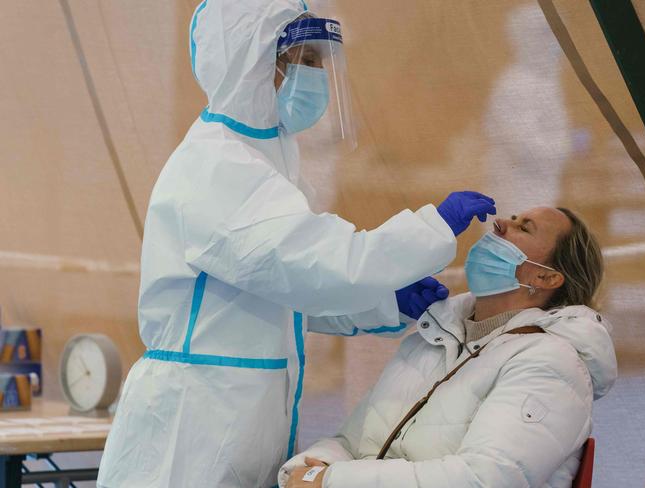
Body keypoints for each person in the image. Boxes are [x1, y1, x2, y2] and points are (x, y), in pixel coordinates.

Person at [97, 1, 496, 487]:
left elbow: (278, 294)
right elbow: (322, 266)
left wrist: (378, 306)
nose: (316, 76)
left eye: (318, 62)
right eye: (303, 60)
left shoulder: (265, 160)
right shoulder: (218, 169)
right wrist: (433, 226)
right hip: (193, 431)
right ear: (252, 58)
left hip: (237, 414)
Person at [280, 207, 618, 488]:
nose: (500, 223)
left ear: (546, 278)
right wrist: (301, 473)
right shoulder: (432, 339)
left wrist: (331, 481)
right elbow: (350, 444)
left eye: (523, 228)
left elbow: (484, 479)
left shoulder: (551, 363)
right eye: (512, 217)